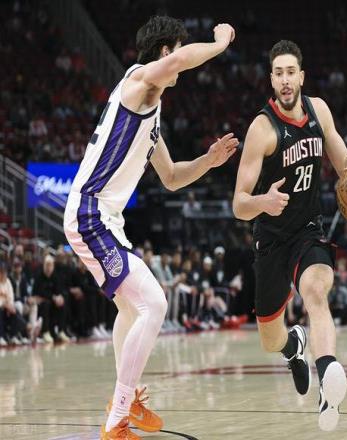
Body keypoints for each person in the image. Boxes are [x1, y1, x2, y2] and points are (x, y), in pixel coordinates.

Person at [63, 16, 238, 439]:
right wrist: (218, 44)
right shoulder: (138, 82)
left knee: (131, 309)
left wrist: (208, 161)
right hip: (90, 213)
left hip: (106, 220)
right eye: (175, 51)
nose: (178, 64)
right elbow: (180, 60)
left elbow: (173, 176)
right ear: (165, 52)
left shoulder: (151, 111)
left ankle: (127, 401)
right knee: (155, 305)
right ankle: (117, 420)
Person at [232, 40, 347, 431]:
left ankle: (327, 379)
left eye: (290, 72)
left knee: (316, 291)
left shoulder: (319, 111)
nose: (285, 80)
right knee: (269, 338)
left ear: (301, 77)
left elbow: (343, 162)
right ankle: (293, 346)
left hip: (308, 230)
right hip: (271, 238)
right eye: (278, 73)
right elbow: (238, 204)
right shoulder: (262, 129)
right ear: (271, 79)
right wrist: (263, 201)